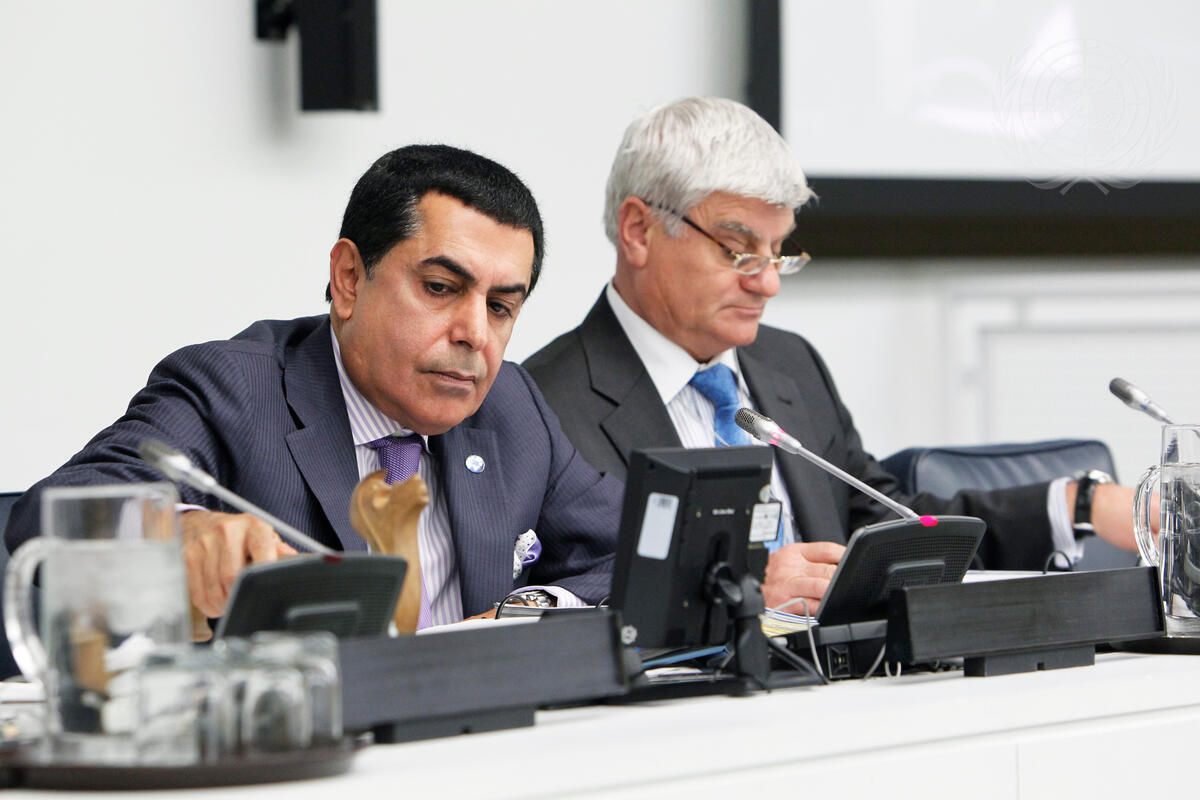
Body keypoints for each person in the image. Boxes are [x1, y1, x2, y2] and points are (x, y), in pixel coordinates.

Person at [524, 97, 1140, 611]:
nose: (768, 283)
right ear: (639, 230)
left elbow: (895, 525)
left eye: (779, 253)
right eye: (740, 251)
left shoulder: (788, 365)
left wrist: (1076, 505)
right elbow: (550, 604)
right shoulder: (543, 406)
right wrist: (742, 594)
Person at [6, 144, 622, 625]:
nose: (474, 334)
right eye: (440, 288)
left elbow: (636, 550)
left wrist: (519, 615)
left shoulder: (510, 408)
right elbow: (52, 512)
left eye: (500, 307)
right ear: (349, 278)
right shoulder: (235, 390)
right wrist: (180, 530)